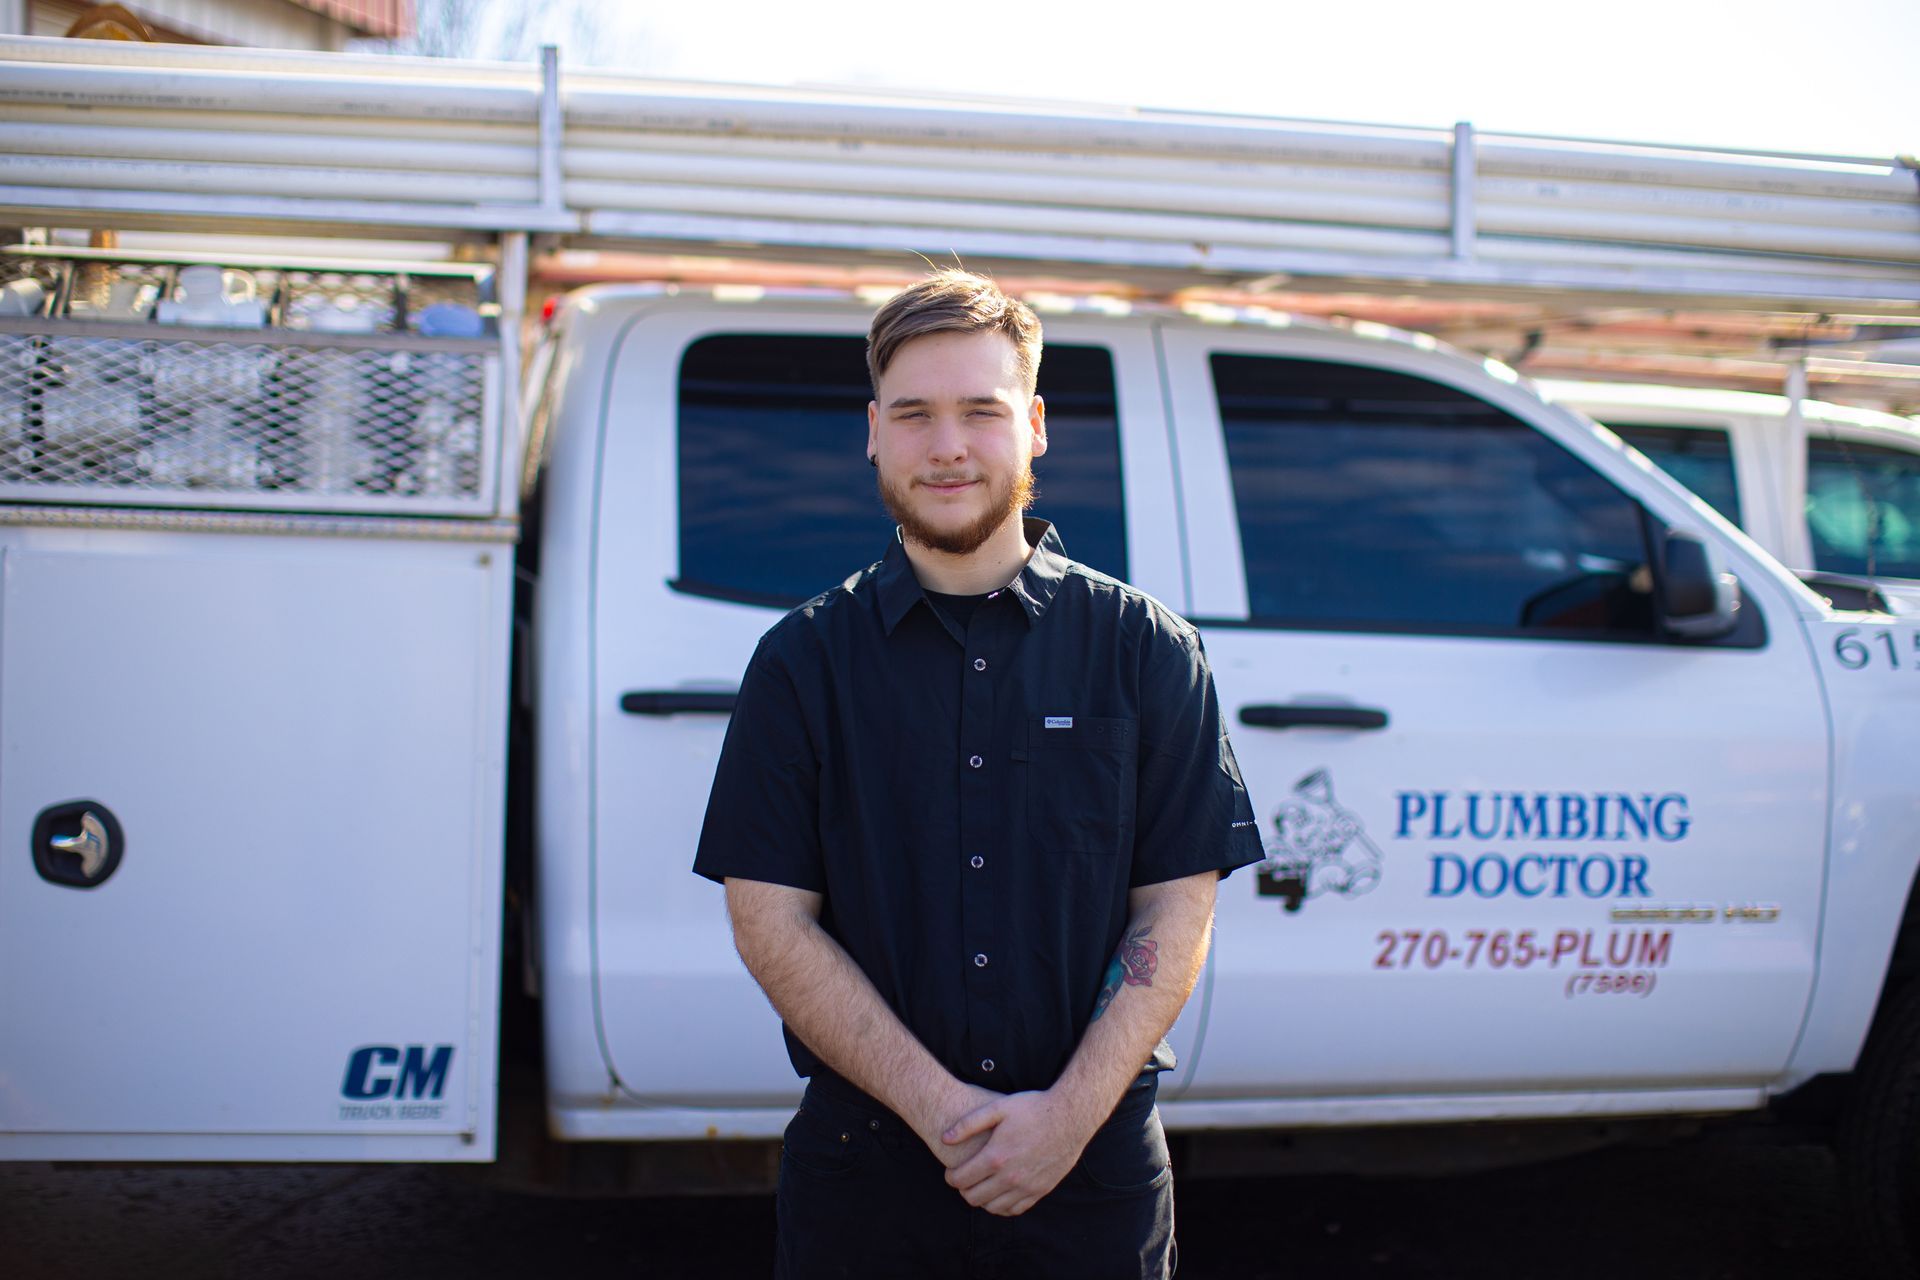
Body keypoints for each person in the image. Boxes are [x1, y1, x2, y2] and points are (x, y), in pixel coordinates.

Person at [693, 268, 1266, 1279]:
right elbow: (769, 919)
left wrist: (1065, 1119)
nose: (947, 445)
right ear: (873, 431)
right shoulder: (803, 661)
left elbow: (1176, 911)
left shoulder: (1145, 650)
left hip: (1090, 1170)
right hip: (864, 1176)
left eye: (981, 411)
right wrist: (948, 1113)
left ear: (1035, 424)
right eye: (913, 414)